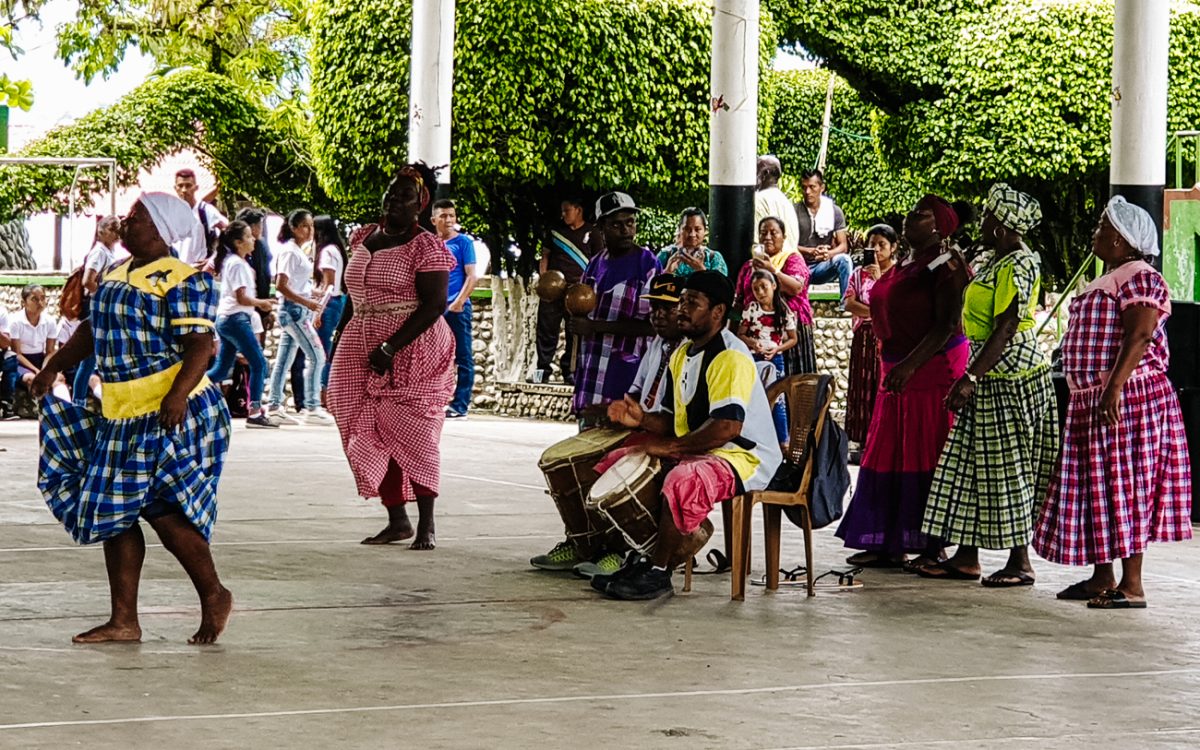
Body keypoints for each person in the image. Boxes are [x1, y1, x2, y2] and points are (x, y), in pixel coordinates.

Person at [31, 192, 233, 644]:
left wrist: (178, 395)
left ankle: (214, 594)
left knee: (161, 509)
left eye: (139, 216)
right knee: (117, 514)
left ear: (161, 229)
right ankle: (125, 620)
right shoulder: (116, 273)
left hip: (170, 411)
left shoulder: (183, 280)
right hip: (121, 412)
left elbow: (200, 345)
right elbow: (91, 331)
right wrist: (53, 366)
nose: (128, 220)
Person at [1034, 197, 1192, 609]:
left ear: (1122, 241)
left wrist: (1114, 388)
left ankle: (1132, 583)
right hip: (1098, 398)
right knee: (1101, 485)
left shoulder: (1139, 277)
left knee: (1127, 484)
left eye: (1103, 228)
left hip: (1128, 397)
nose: (1095, 233)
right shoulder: (1111, 278)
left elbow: (1139, 334)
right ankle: (1102, 576)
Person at [596, 271, 783, 600]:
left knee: (682, 478)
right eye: (681, 302)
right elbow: (673, 420)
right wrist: (640, 420)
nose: (681, 309)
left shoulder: (729, 356)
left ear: (717, 312)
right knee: (622, 460)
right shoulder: (682, 354)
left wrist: (670, 447)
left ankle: (658, 571)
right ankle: (640, 555)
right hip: (705, 448)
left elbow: (727, 427)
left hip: (742, 455)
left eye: (692, 303)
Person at [919, 184, 1059, 585]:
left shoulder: (1019, 264)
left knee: (1009, 465)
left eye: (988, 217)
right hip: (988, 373)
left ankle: (1020, 561)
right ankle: (966, 556)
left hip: (1010, 376)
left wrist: (971, 376)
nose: (981, 222)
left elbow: (1008, 325)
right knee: (965, 466)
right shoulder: (994, 259)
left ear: (1001, 227)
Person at [835, 194, 970, 569]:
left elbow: (946, 324)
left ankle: (931, 543)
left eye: (920, 215)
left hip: (928, 369)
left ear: (939, 227)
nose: (910, 219)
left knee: (925, 452)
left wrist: (910, 365)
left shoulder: (948, 264)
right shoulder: (909, 262)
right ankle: (888, 539)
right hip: (896, 365)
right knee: (887, 450)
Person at [327, 162, 455, 550]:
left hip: (413, 346)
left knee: (414, 432)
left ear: (422, 204)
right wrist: (337, 345)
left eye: (405, 196)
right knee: (361, 429)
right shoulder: (364, 237)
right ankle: (396, 518)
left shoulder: (425, 246)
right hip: (359, 341)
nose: (394, 201)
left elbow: (433, 305)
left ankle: (426, 524)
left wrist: (391, 346)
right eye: (391, 193)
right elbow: (352, 299)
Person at [531, 273, 685, 575]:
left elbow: (680, 415)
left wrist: (642, 420)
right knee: (574, 461)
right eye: (655, 308)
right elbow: (639, 392)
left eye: (669, 308)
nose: (660, 315)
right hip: (644, 426)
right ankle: (583, 543)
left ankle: (621, 550)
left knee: (605, 467)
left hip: (670, 434)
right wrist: (613, 409)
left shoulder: (691, 349)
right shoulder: (656, 346)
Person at [570, 191, 660, 426]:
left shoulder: (648, 265)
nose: (625, 230)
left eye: (630, 223)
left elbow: (653, 326)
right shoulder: (594, 265)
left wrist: (595, 326)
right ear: (601, 228)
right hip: (592, 373)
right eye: (616, 224)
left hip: (627, 377)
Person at [206, 221, 277, 429]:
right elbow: (242, 297)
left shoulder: (233, 262)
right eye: (248, 236)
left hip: (228, 318)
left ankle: (191, 390)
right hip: (236, 318)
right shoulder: (237, 264)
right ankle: (254, 411)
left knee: (221, 369)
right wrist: (261, 303)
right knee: (258, 363)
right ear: (238, 242)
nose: (253, 239)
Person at [265, 209, 333, 426]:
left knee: (285, 359)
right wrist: (307, 302)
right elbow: (281, 285)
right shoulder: (290, 252)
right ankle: (312, 406)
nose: (309, 230)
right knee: (317, 355)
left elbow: (294, 284)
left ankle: (275, 405)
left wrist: (313, 294)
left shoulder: (297, 251)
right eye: (305, 226)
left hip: (297, 308)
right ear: (293, 228)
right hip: (294, 311)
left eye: (311, 226)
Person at [535, 198, 604, 384]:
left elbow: (598, 262)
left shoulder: (593, 232)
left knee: (574, 334)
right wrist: (544, 279)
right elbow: (545, 257)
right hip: (554, 290)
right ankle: (542, 370)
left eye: (567, 211)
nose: (563, 215)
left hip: (578, 293)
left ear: (578, 210)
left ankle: (570, 371)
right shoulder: (556, 232)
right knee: (546, 330)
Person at [734, 216, 815, 375]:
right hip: (754, 336)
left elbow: (796, 288)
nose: (768, 237)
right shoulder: (749, 266)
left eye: (774, 233)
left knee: (791, 383)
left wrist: (772, 270)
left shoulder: (792, 260)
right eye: (763, 233)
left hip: (786, 331)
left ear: (783, 237)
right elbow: (740, 300)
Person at [843, 224, 897, 445]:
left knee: (882, 385)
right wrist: (874, 313)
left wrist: (879, 281)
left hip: (888, 337)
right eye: (872, 244)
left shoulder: (897, 273)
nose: (876, 249)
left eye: (881, 245)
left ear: (893, 248)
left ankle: (884, 438)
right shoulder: (858, 274)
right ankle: (863, 438)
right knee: (862, 385)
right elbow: (849, 303)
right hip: (864, 338)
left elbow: (895, 306)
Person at [736, 269, 797, 451]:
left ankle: (782, 441)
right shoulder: (751, 309)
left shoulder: (784, 310)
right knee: (752, 398)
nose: (761, 292)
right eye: (756, 289)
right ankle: (752, 438)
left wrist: (777, 349)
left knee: (778, 399)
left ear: (774, 286)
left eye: (764, 287)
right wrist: (753, 344)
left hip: (775, 358)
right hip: (753, 358)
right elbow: (741, 334)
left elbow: (793, 339)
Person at [432, 199, 477, 418]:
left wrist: (459, 302)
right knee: (432, 358)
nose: (448, 219)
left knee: (463, 357)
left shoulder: (463, 243)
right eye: (443, 216)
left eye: (451, 215)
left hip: (457, 309)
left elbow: (472, 276)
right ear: (434, 220)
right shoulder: (430, 243)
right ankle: (433, 399)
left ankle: (460, 405)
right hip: (433, 310)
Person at [793, 169, 853, 299]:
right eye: (804, 187)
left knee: (844, 260)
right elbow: (788, 245)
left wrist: (828, 254)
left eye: (812, 187)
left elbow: (843, 246)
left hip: (822, 266)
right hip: (798, 265)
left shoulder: (834, 211)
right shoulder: (794, 211)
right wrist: (810, 251)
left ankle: (846, 305)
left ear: (822, 188)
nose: (807, 192)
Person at [312, 215, 348, 403]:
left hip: (330, 303)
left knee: (323, 352)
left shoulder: (326, 251)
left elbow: (329, 285)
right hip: (338, 301)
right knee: (330, 350)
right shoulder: (337, 250)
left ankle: (324, 394)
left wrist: (318, 310)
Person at [9, 284, 61, 395]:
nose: (40, 303)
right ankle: (40, 409)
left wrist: (44, 369)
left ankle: (64, 409)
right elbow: (17, 354)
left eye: (43, 298)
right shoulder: (16, 322)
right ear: (24, 302)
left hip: (41, 359)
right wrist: (36, 371)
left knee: (58, 380)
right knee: (32, 380)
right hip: (21, 362)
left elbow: (50, 351)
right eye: (34, 299)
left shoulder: (50, 321)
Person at [233, 207, 275, 337]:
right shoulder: (235, 256)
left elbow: (264, 278)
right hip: (240, 309)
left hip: (258, 305)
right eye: (259, 225)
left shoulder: (260, 246)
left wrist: (265, 311)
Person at [173, 168, 228, 265]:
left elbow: (229, 231)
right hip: (177, 273)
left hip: (199, 272)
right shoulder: (170, 213)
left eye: (188, 185)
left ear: (196, 187)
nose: (184, 190)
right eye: (180, 186)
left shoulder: (205, 210)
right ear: (175, 188)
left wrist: (213, 258)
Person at [656, 208, 728, 278]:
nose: (692, 234)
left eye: (697, 229)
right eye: (687, 229)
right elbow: (651, 286)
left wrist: (701, 269)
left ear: (705, 231)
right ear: (679, 230)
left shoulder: (714, 258)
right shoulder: (666, 255)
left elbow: (721, 288)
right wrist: (668, 271)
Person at [754, 155, 801, 256]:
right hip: (790, 260)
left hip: (771, 264)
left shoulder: (758, 199)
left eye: (756, 170)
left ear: (765, 174)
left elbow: (756, 243)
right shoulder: (786, 201)